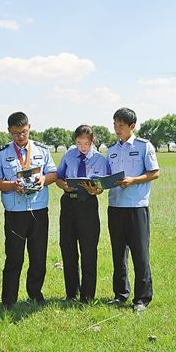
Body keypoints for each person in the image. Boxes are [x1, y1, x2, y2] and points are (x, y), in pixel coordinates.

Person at [0, 112, 57, 309]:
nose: (20, 136)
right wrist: (13, 185)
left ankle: (35, 294)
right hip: (15, 212)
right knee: (14, 257)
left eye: (24, 132)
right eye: (15, 133)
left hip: (38, 209)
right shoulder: (1, 154)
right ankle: (9, 299)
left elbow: (53, 173)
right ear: (9, 131)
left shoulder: (42, 150)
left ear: (29, 127)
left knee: (38, 256)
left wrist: (44, 179)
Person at [105, 107, 160, 313]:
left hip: (136, 207)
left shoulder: (144, 146)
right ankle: (120, 294)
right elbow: (107, 176)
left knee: (140, 254)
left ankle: (142, 299)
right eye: (115, 125)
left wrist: (133, 180)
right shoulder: (111, 150)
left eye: (121, 125)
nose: (117, 129)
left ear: (132, 126)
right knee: (118, 254)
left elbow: (154, 173)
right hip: (115, 206)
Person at [54, 125, 110, 303]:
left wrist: (95, 190)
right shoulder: (69, 155)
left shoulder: (100, 160)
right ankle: (71, 293)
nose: (82, 147)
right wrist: (64, 186)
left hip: (88, 205)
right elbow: (58, 177)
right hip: (68, 204)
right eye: (79, 143)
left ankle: (87, 295)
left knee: (88, 250)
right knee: (68, 248)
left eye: (86, 143)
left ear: (92, 142)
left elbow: (102, 186)